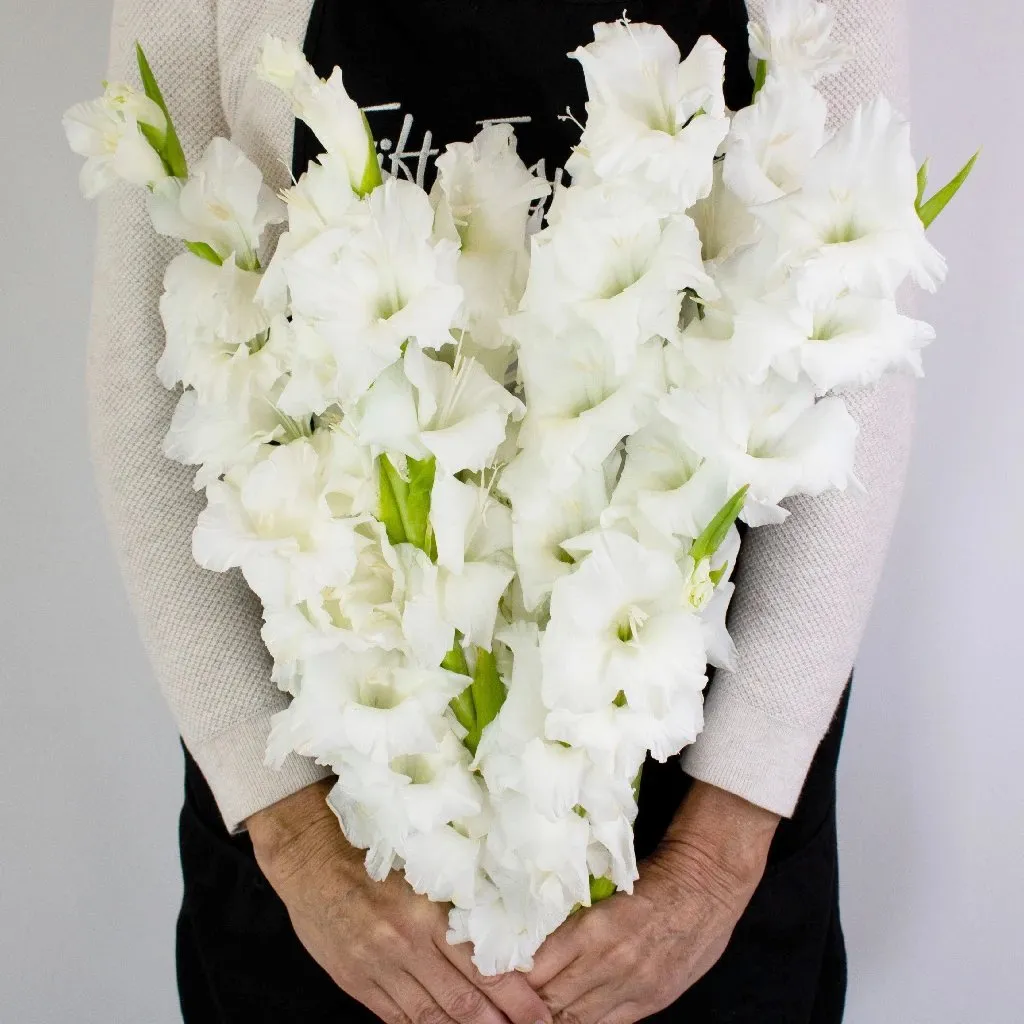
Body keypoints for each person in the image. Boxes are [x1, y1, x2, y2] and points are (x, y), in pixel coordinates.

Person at [86, 1, 915, 1020]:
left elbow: (855, 370)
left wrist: (714, 852)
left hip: (688, 771)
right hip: (330, 789)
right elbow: (147, 371)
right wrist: (295, 837)